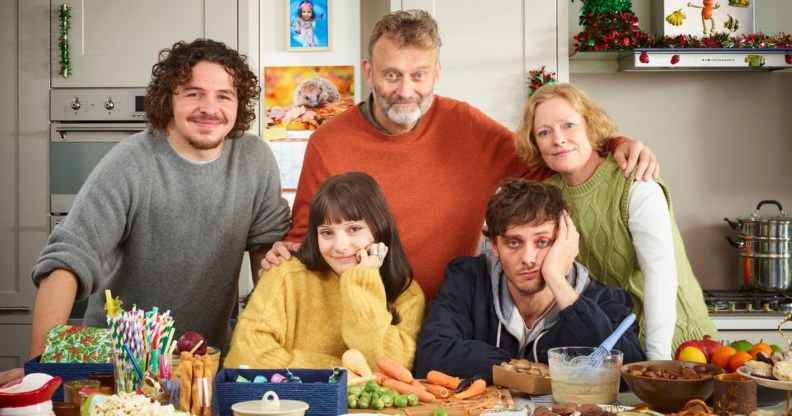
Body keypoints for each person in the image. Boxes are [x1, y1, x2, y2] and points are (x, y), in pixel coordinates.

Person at [262, 9, 660, 302]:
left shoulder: (466, 125)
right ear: (369, 72)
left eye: (419, 75)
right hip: (360, 315)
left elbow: (550, 158)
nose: (405, 91)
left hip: (449, 315)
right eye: (392, 75)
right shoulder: (328, 142)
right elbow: (306, 238)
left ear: (436, 74)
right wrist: (285, 252)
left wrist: (614, 143)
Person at [27, 39, 291, 364]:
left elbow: (270, 255)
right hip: (120, 362)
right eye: (194, 93)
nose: (210, 108)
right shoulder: (130, 161)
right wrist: (40, 364)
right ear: (169, 98)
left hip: (203, 362)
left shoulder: (255, 158)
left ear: (239, 103)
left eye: (224, 96)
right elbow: (69, 257)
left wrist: (271, 349)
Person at [513, 83, 716, 360]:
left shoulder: (635, 182)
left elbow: (659, 274)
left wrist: (655, 362)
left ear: (590, 127)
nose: (558, 139)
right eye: (544, 132)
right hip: (614, 349)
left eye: (568, 125)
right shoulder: (549, 196)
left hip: (678, 347)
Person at [413, 179, 645, 379]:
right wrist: (521, 367)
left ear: (564, 242)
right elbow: (431, 357)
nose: (528, 258)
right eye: (514, 242)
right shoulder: (468, 279)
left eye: (542, 242)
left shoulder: (606, 300)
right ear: (494, 245)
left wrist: (556, 278)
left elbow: (628, 374)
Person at [224, 172, 425, 371]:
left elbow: (392, 368)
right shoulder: (286, 274)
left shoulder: (408, 295)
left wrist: (361, 282)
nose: (340, 246)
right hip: (290, 395)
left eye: (354, 229)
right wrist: (341, 375)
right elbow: (245, 356)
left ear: (381, 228)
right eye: (327, 233)